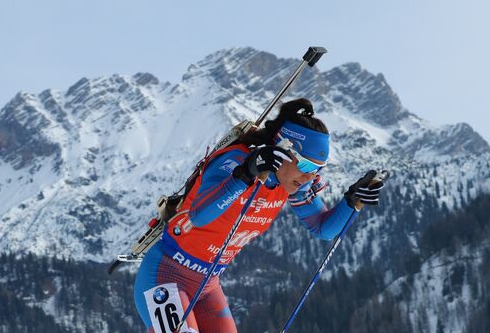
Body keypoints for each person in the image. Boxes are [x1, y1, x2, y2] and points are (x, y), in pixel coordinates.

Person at [133, 98, 384, 333]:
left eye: (318, 169)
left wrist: (351, 202)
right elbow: (198, 216)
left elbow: (323, 229)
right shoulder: (234, 161)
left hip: (207, 284)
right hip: (165, 275)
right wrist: (245, 174)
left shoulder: (292, 183)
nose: (310, 176)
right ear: (284, 149)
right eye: (306, 165)